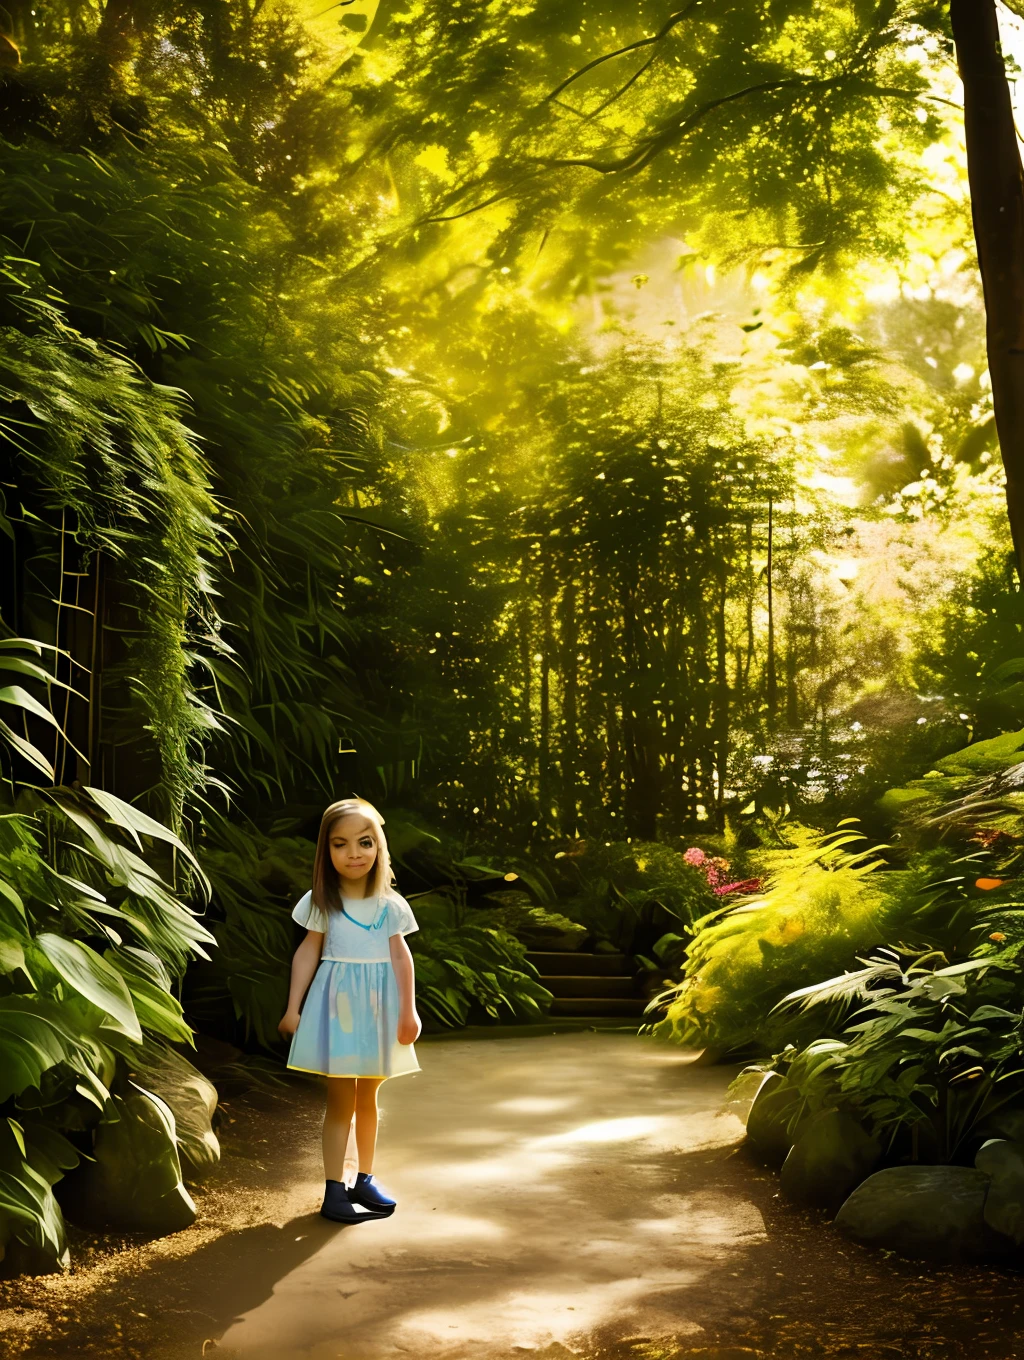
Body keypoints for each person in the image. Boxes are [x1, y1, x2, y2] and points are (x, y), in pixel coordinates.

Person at [277, 797, 422, 1224]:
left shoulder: (391, 904)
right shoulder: (323, 902)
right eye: (340, 845)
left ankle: (365, 1178)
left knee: (369, 1100)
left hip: (380, 1011)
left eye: (364, 842)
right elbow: (307, 952)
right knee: (341, 1099)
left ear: (379, 847)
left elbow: (401, 959)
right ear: (327, 851)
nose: (354, 853)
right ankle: (332, 1189)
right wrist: (293, 1008)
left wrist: (408, 1011)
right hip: (337, 1009)